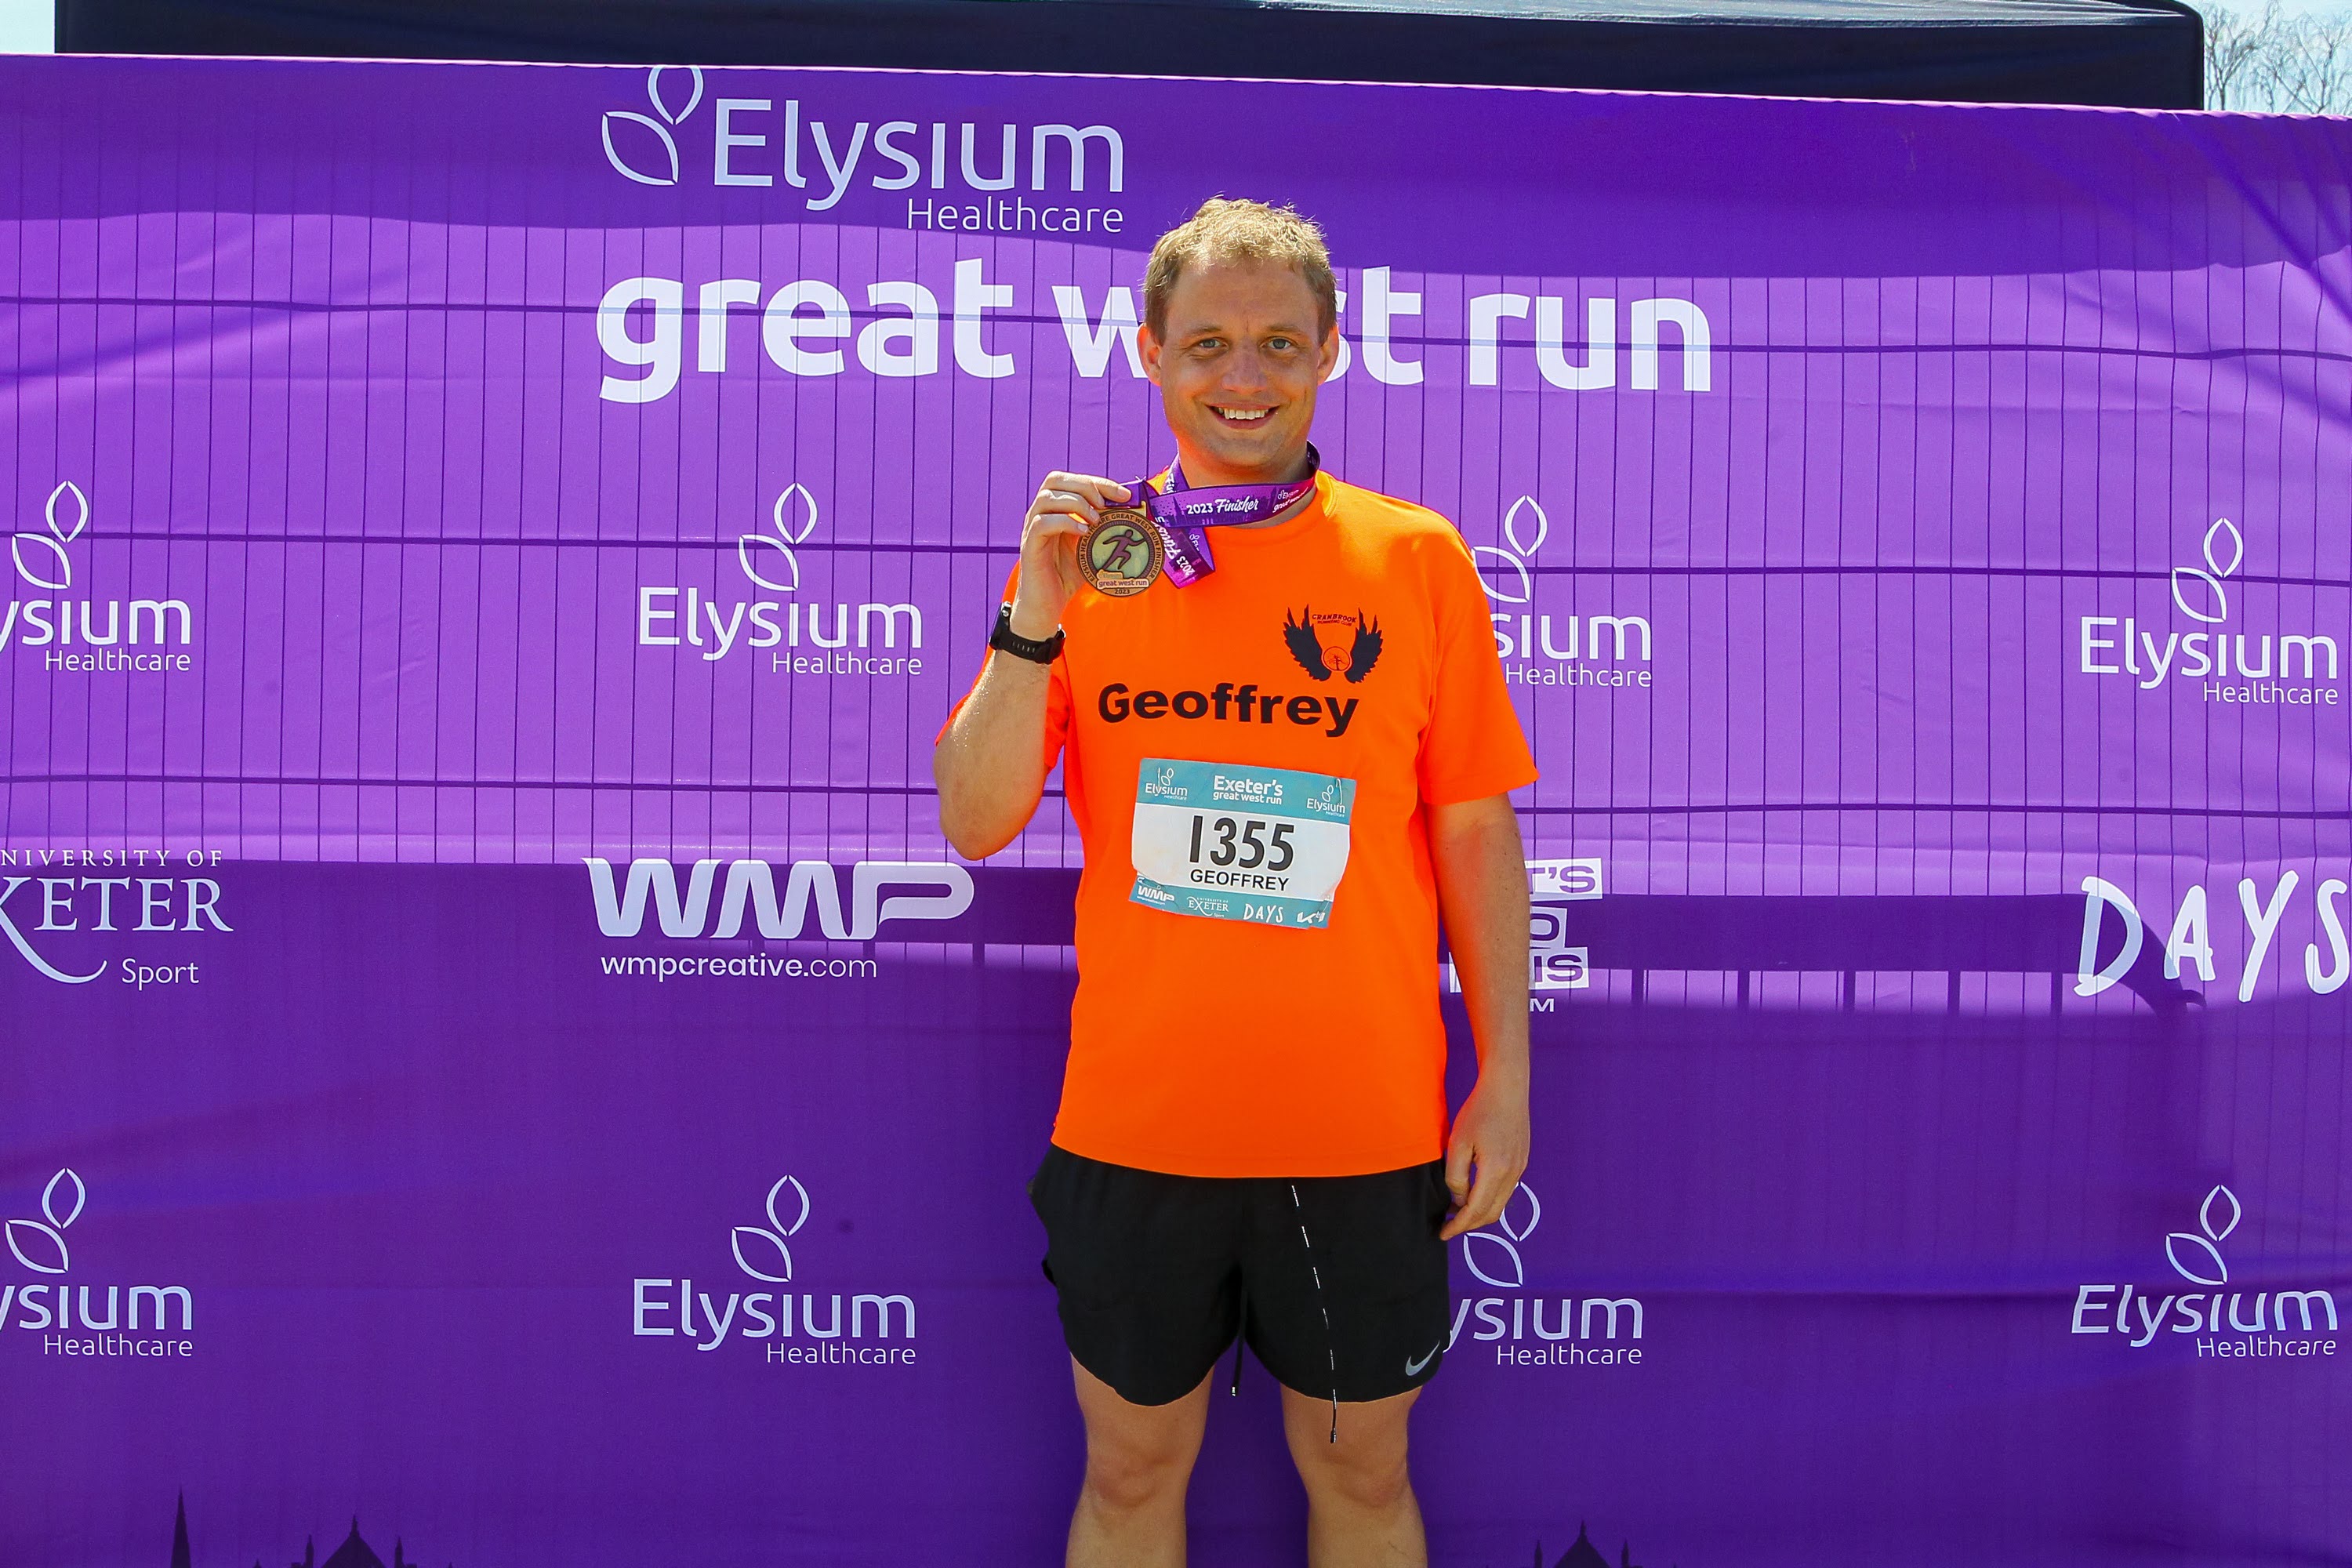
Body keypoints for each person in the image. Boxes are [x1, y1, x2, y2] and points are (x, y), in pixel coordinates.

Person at [934, 198, 1536, 1568]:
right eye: (1207, 343)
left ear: (1332, 352)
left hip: (1362, 1129)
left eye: (1278, 340)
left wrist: (1504, 1075)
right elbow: (974, 820)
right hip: (1141, 1128)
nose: (1243, 376)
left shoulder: (1417, 560)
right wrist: (1033, 611)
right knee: (1134, 1477)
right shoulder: (1089, 564)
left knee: (1365, 1485)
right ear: (1149, 354)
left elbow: (1474, 836)